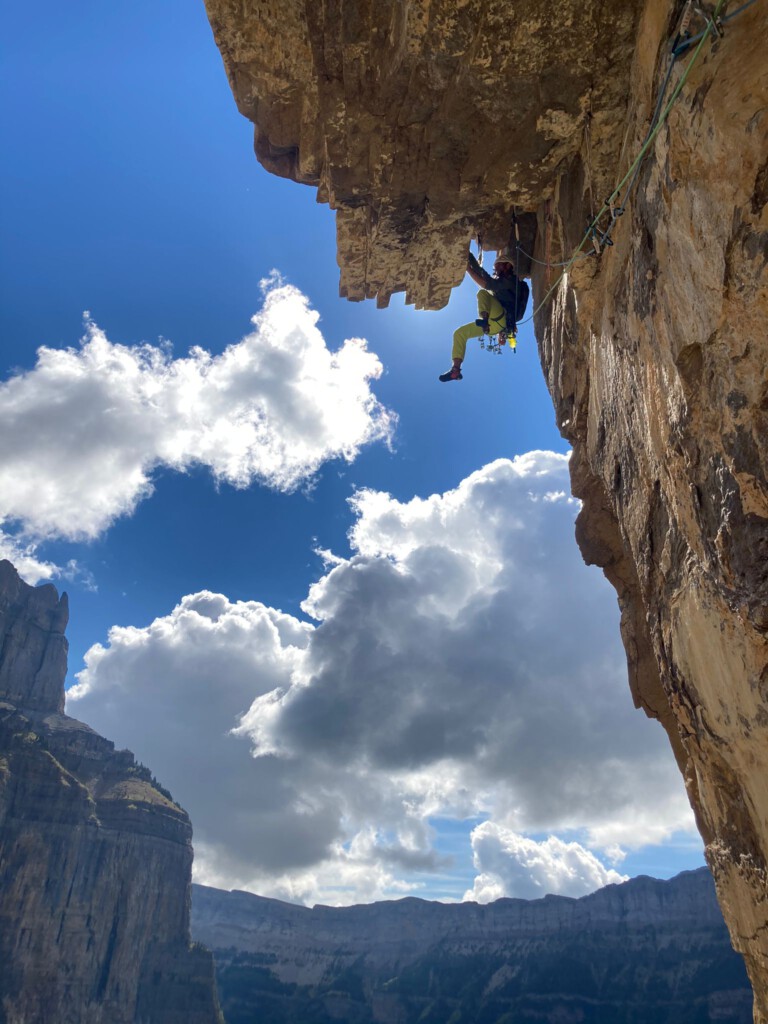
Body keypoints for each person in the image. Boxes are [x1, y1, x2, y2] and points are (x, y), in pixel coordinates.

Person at [438, 248, 529, 382]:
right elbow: (486, 279)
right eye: (495, 268)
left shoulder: (511, 281)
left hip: (496, 320)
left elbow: (487, 282)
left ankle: (484, 320)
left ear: (508, 266)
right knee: (459, 333)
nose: (496, 270)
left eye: (498, 266)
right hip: (495, 325)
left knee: (482, 293)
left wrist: (469, 266)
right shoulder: (501, 285)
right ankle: (455, 369)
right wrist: (470, 262)